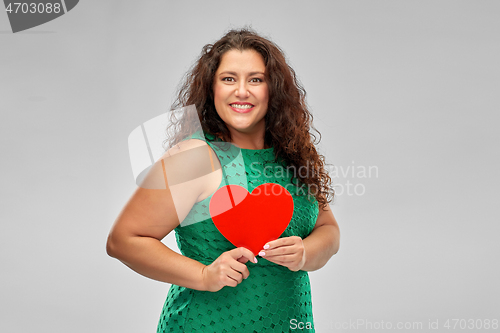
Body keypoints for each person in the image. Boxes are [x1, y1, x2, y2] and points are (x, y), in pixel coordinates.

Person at [106, 28, 340, 333]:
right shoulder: (194, 157)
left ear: (274, 90)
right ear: (212, 89)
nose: (241, 91)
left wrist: (305, 253)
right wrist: (204, 275)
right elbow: (123, 240)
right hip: (207, 324)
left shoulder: (293, 157)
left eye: (255, 79)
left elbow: (328, 230)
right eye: (229, 79)